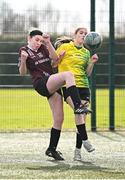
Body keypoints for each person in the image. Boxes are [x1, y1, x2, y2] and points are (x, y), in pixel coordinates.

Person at [18, 29, 91, 161]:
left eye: (41, 40)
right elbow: (22, 73)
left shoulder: (43, 47)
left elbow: (54, 59)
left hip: (52, 83)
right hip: (41, 83)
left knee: (59, 118)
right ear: (29, 38)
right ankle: (78, 105)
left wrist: (48, 42)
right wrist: (23, 60)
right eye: (36, 40)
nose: (38, 43)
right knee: (68, 74)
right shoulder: (24, 50)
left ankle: (51, 149)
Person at [55, 27, 98, 161]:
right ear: (75, 34)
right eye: (81, 33)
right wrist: (59, 58)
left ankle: (77, 151)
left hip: (84, 86)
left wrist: (92, 62)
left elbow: (87, 73)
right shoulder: (65, 47)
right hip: (68, 86)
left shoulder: (86, 52)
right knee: (78, 111)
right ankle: (85, 141)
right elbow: (53, 63)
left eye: (85, 34)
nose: (83, 35)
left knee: (82, 118)